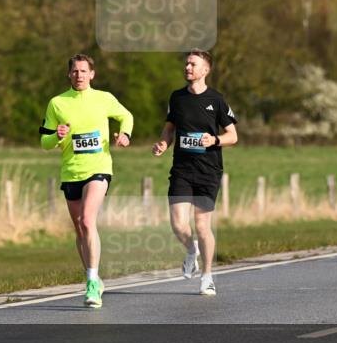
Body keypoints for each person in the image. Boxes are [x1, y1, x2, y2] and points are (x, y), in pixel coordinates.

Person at [40, 54, 133, 307]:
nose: (79, 75)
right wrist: (57, 136)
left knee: (87, 220)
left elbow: (127, 116)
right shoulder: (57, 103)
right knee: (79, 229)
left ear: (92, 74)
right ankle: (94, 277)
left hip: (99, 168)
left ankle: (91, 283)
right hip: (71, 171)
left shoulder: (104, 98)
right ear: (68, 74)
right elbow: (44, 141)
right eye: (75, 71)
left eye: (84, 71)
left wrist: (124, 135)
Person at [152, 49, 238, 296]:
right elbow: (169, 129)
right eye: (186, 63)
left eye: (193, 64)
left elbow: (233, 136)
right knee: (179, 224)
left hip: (208, 170)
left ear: (205, 70)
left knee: (202, 226)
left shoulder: (217, 100)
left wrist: (214, 141)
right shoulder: (176, 98)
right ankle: (192, 251)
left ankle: (207, 277)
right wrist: (163, 143)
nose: (187, 67)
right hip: (181, 169)